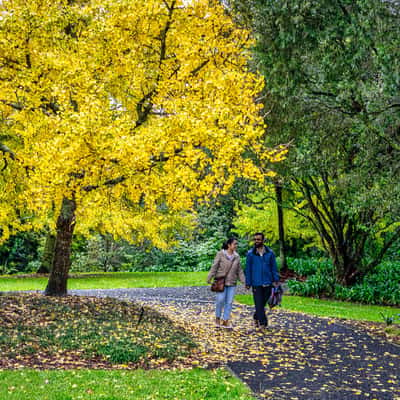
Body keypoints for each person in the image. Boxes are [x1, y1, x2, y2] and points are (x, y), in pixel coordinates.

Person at [207, 238, 246, 329]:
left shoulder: (237, 256)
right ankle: (217, 318)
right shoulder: (220, 254)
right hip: (221, 282)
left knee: (229, 302)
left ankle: (225, 320)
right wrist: (209, 277)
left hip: (232, 282)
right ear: (229, 245)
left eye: (236, 244)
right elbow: (214, 266)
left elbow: (239, 270)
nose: (236, 246)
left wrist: (244, 282)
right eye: (234, 244)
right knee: (220, 300)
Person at [245, 232, 280, 329]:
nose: (256, 241)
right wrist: (248, 282)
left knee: (262, 304)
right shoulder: (250, 254)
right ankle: (263, 323)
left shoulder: (270, 253)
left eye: (258, 239)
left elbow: (274, 267)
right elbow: (248, 269)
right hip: (256, 283)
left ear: (263, 240)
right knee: (258, 303)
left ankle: (256, 317)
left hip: (268, 282)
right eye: (255, 239)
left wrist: (276, 279)